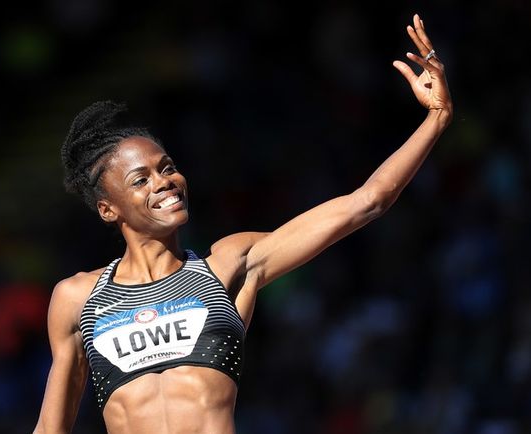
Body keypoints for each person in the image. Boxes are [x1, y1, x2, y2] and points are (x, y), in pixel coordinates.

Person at [33, 14, 452, 434]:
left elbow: (366, 203)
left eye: (167, 168)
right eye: (140, 180)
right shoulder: (78, 299)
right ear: (108, 210)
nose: (164, 182)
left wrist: (435, 118)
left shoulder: (228, 266)